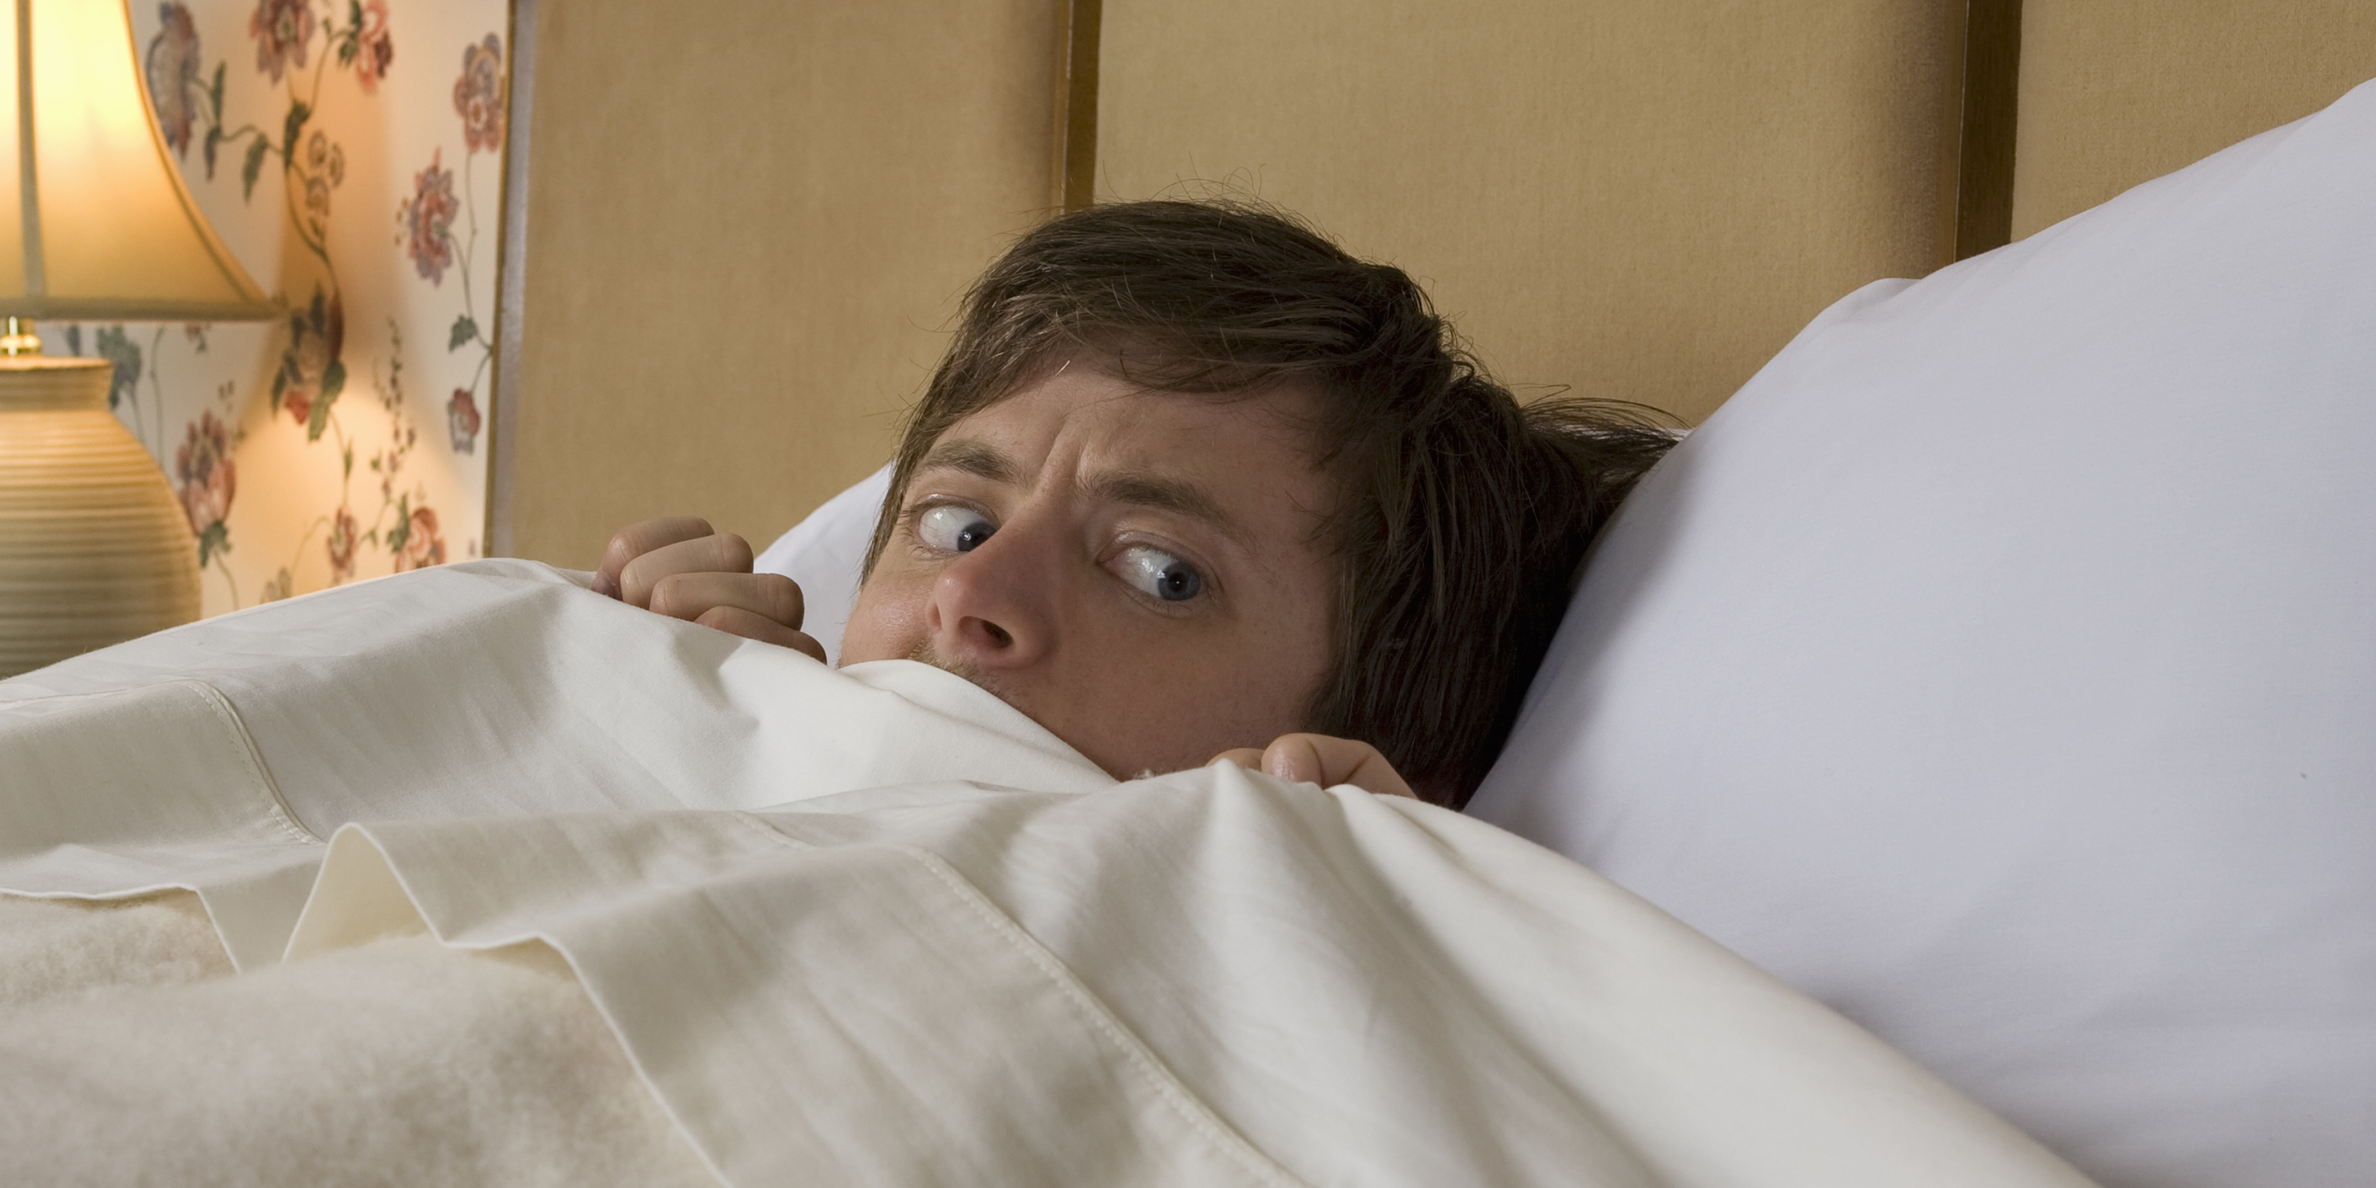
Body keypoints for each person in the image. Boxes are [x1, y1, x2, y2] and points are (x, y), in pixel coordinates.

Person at [593, 199, 1674, 808]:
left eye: (1163, 573)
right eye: (957, 524)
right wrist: (624, 740)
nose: (969, 592)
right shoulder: (654, 730)